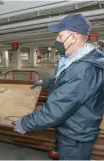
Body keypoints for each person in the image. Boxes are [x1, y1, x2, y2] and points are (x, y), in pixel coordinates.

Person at [14, 13, 104, 160]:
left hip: (76, 136)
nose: (56, 40)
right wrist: (48, 82)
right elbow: (67, 81)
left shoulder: (84, 69)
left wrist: (26, 123)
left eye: (60, 36)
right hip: (72, 128)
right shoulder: (73, 60)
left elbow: (57, 108)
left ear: (74, 36)